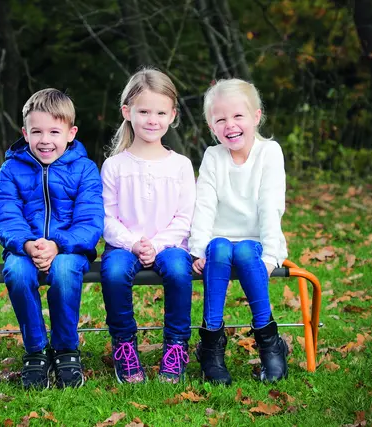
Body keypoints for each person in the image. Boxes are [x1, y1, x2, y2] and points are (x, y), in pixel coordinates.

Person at [0, 88, 103, 389]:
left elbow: (91, 220)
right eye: (36, 131)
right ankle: (36, 350)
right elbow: (5, 214)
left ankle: (66, 349)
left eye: (54, 132)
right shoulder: (11, 169)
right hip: (24, 249)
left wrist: (57, 244)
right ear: (24, 133)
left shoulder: (84, 169)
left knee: (64, 271)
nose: (45, 140)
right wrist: (27, 244)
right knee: (17, 272)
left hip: (69, 249)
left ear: (71, 133)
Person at [189, 78, 289, 385]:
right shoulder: (213, 156)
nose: (230, 125)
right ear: (211, 126)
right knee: (219, 247)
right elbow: (204, 204)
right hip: (218, 243)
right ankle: (210, 346)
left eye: (237, 116)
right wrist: (198, 249)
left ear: (256, 116)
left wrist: (270, 256)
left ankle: (269, 342)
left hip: (257, 242)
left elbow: (270, 206)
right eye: (220, 119)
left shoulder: (269, 152)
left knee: (245, 250)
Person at [100, 68, 196, 384]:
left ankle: (176, 346)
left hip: (170, 246)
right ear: (127, 112)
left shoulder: (180, 165)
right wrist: (133, 243)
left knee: (179, 271)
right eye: (143, 112)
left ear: (172, 116)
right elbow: (107, 218)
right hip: (124, 246)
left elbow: (184, 217)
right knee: (114, 272)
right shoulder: (114, 166)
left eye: (160, 113)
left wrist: (156, 244)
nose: (152, 120)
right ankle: (124, 345)